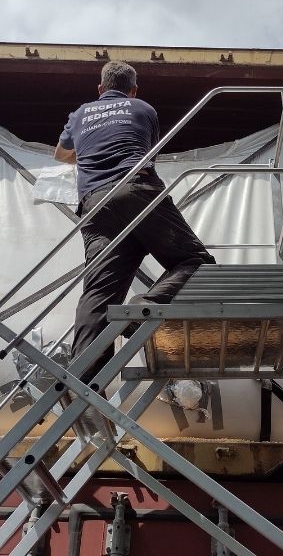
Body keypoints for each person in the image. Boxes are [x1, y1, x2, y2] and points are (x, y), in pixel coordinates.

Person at [54, 61, 215, 387]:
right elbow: (148, 152)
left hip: (94, 205)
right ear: (133, 89)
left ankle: (82, 378)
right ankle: (147, 303)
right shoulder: (143, 109)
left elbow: (61, 155)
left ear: (100, 88)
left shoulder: (80, 114)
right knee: (195, 261)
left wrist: (87, 149)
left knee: (100, 291)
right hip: (136, 191)